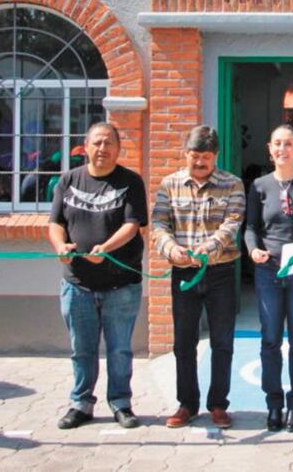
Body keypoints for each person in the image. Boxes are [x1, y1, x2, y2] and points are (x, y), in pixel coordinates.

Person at [49, 122, 147, 430]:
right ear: (85, 147)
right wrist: (60, 245)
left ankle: (120, 402)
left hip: (120, 284)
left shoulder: (131, 181)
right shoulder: (68, 180)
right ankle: (81, 403)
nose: (102, 149)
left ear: (119, 148)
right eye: (97, 143)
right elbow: (55, 223)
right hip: (77, 284)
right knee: (82, 349)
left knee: (119, 349)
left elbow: (133, 225)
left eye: (108, 143)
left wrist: (105, 248)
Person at [152, 126, 245, 430]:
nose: (200, 162)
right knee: (184, 342)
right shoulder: (170, 184)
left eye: (206, 157)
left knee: (222, 341)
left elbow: (232, 223)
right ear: (186, 154)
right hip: (184, 273)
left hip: (220, 272)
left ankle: (218, 404)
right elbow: (159, 225)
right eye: (195, 156)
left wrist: (208, 248)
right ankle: (187, 404)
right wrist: (171, 250)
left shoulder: (232, 185)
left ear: (215, 156)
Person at [245, 124, 293, 433]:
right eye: (277, 143)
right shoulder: (259, 186)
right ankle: (274, 404)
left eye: (288, 143)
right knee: (270, 340)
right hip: (268, 271)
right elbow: (251, 227)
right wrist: (253, 250)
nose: (282, 149)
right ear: (270, 148)